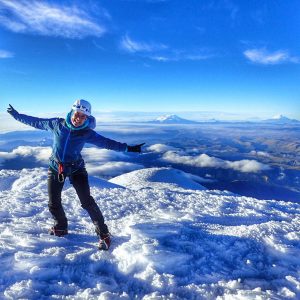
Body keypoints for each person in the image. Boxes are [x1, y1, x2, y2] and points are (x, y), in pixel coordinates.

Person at [7, 99, 144, 250]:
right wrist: (16, 115)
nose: (78, 118)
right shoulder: (57, 124)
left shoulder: (86, 133)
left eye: (83, 116)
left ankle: (103, 234)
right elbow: (36, 122)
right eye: (77, 114)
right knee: (53, 202)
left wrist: (129, 149)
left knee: (87, 202)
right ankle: (61, 227)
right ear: (72, 112)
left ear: (87, 118)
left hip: (77, 169)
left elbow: (107, 143)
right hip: (56, 168)